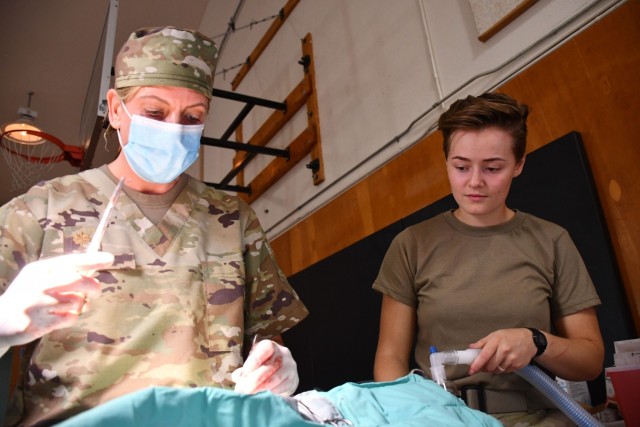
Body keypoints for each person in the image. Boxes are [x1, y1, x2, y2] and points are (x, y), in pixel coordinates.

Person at [0, 26, 308, 425]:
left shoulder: (232, 220)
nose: (174, 128)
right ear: (115, 109)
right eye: (154, 112)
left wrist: (273, 367)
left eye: (192, 116)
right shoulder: (43, 208)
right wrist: (5, 321)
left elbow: (265, 335)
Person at [372, 92, 604, 426]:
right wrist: (404, 416)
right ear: (446, 163)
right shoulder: (412, 245)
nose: (475, 182)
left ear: (519, 164)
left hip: (539, 417)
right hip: (442, 418)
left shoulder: (551, 241)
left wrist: (536, 341)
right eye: (461, 167)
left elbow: (590, 360)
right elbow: (390, 357)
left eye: (493, 167)